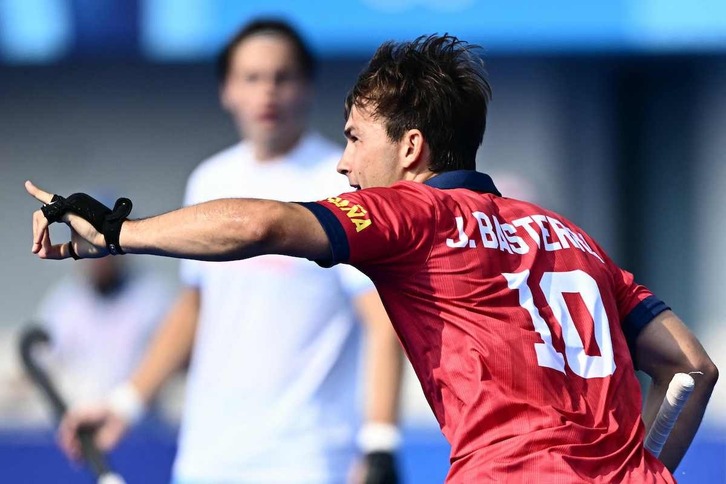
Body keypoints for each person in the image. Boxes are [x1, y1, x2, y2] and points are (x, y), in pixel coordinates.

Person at [27, 33, 718, 482]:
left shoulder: (416, 213)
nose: (345, 164)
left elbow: (264, 222)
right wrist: (645, 469)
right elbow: (691, 366)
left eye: (356, 140)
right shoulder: (568, 234)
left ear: (411, 148)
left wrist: (119, 234)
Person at [43, 20, 404, 484]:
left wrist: (379, 445)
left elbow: (381, 320)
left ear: (308, 87)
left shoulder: (343, 181)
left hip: (309, 460)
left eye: (283, 77)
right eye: (252, 78)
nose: (268, 92)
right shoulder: (208, 180)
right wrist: (124, 404)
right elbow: (196, 306)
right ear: (227, 90)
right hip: (209, 458)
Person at [36, 256, 171, 405]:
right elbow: (43, 363)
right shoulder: (62, 303)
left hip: (139, 416)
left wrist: (126, 405)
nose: (99, 257)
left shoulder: (152, 298)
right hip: (79, 415)